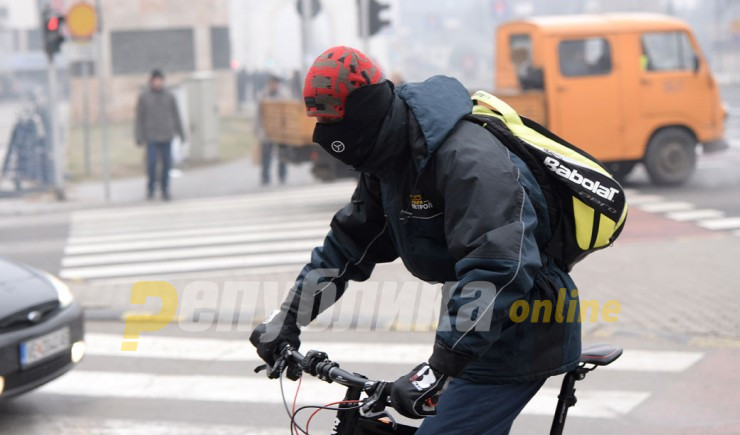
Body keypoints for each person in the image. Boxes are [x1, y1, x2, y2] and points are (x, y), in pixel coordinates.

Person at [250, 46, 581, 434]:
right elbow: (348, 246)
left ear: (365, 117)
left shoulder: (465, 157)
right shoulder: (388, 158)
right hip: (475, 330)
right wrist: (288, 319)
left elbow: (499, 266)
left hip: (522, 327)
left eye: (339, 130)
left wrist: (437, 369)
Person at [135, 69, 185, 201]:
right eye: (155, 80)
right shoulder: (144, 97)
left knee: (167, 164)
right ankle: (151, 188)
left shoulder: (169, 96)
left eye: (160, 80)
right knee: (151, 163)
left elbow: (176, 116)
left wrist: (181, 133)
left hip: (167, 135)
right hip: (151, 136)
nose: (158, 83)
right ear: (151, 82)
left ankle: (165, 189)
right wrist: (139, 136)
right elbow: (139, 118)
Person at [255, 74, 290, 185]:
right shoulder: (263, 95)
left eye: (274, 83)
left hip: (281, 131)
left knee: (282, 155)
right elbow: (258, 114)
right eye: (271, 83)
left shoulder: (284, 95)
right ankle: (265, 178)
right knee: (266, 156)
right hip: (267, 132)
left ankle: (282, 175)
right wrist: (257, 129)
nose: (272, 85)